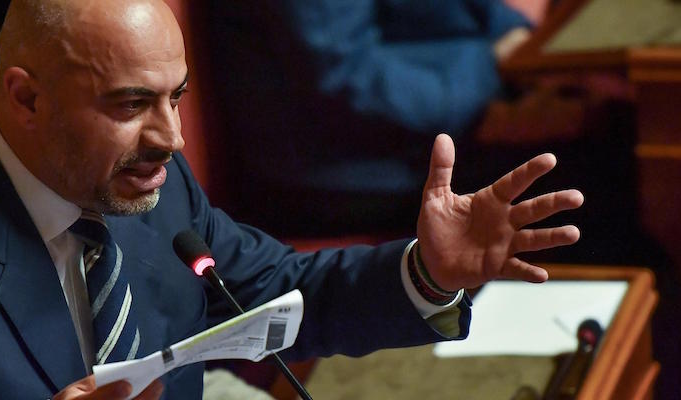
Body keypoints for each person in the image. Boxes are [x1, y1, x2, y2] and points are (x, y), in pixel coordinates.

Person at [0, 0, 583, 398]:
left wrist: (429, 273)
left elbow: (284, 294)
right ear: (26, 98)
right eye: (130, 104)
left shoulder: (147, 182)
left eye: (178, 98)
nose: (172, 138)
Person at [194, 0, 544, 235]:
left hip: (419, 117)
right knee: (569, 171)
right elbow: (344, 76)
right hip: (341, 165)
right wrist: (493, 82)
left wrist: (519, 39)